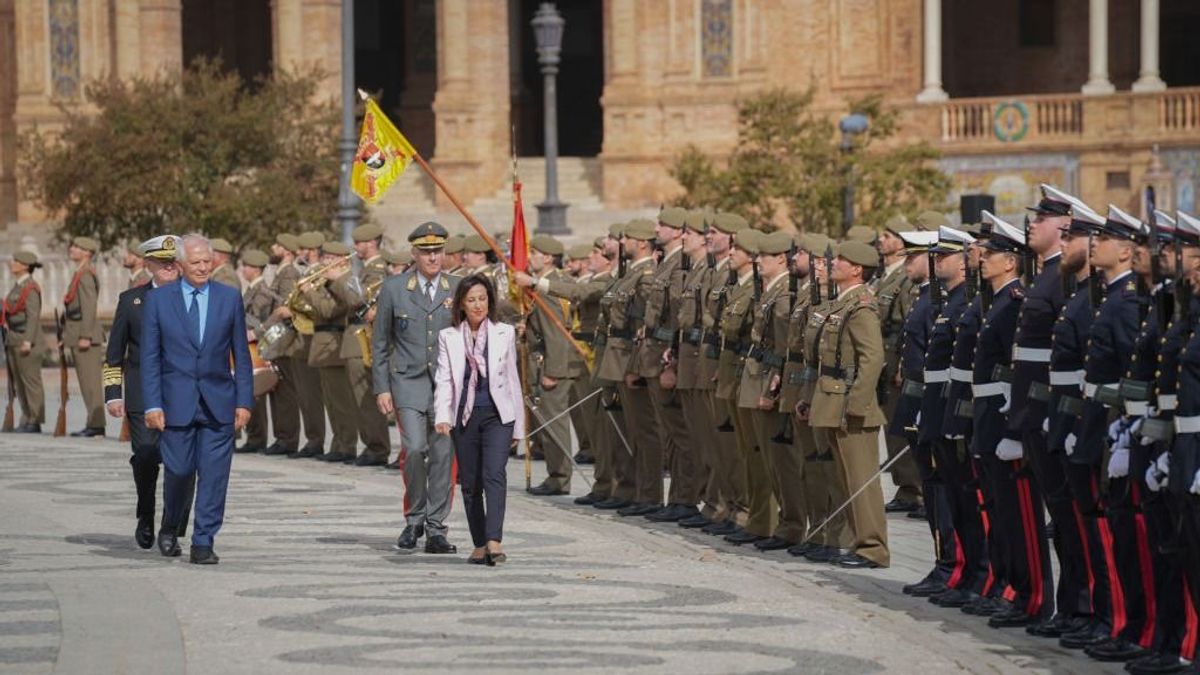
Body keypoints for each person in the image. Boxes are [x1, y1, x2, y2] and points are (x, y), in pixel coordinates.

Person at [142, 234, 253, 564]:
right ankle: (171, 523)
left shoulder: (229, 298)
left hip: (219, 401)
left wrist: (244, 401)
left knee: (215, 475)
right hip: (175, 403)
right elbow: (150, 357)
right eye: (196, 262)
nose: (204, 267)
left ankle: (204, 540)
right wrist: (152, 404)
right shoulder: (159, 301)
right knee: (178, 470)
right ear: (179, 264)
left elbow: (241, 356)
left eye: (208, 261)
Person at [373, 221, 460, 554]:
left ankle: (436, 528)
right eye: (426, 252)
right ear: (414, 254)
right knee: (414, 450)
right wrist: (382, 388)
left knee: (442, 455)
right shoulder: (395, 288)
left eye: (437, 251)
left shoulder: (458, 287)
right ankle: (414, 520)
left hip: (447, 386)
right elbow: (381, 342)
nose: (433, 257)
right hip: (407, 382)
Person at [104, 236, 192, 548]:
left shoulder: (195, 298)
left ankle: (171, 527)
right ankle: (146, 513)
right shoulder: (132, 301)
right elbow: (114, 353)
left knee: (183, 462)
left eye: (174, 261)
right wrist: (113, 393)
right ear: (148, 264)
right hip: (143, 393)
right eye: (162, 262)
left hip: (184, 392)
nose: (170, 267)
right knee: (145, 455)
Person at [434, 275, 524, 565]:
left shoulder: (504, 332)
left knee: (494, 474)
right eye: (471, 300)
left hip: (498, 414)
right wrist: (443, 416)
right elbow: (445, 379)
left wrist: (519, 425)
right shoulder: (448, 336)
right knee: (471, 482)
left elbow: (513, 379)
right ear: (461, 303)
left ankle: (495, 541)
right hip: (465, 416)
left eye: (482, 299)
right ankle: (479, 543)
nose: (477, 305)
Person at [63, 236, 106, 437]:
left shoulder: (86, 275)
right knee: (85, 381)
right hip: (77, 330)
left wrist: (86, 335)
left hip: (85, 333)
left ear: (87, 253)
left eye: (77, 247)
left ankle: (96, 424)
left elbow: (89, 307)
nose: (72, 249)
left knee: (90, 382)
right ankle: (93, 421)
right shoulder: (80, 273)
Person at [3, 250, 45, 433]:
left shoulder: (30, 287)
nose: (12, 263)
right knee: (19, 383)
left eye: (16, 261)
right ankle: (27, 417)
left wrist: (27, 341)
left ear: (25, 266)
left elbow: (33, 316)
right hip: (14, 338)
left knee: (30, 381)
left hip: (27, 340)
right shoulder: (18, 286)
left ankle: (35, 419)